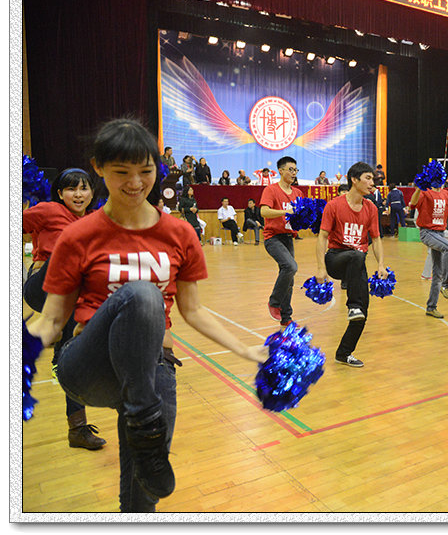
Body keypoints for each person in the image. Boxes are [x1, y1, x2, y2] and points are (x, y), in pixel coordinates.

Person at [25, 118, 267, 512]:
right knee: (142, 293)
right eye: (121, 172)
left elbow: (193, 310)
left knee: (144, 495)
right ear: (99, 168)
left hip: (153, 369)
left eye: (145, 171)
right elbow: (51, 320)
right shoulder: (78, 235)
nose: (135, 183)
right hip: (90, 367)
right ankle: (143, 417)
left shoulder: (180, 234)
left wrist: (245, 350)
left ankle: (142, 439)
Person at [23, 167, 106, 451]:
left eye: (84, 188)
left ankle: (78, 429)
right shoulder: (49, 210)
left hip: (71, 297)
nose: (78, 194)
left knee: (72, 358)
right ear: (60, 193)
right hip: (42, 286)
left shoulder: (95, 219)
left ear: (92, 193)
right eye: (71, 189)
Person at [315, 162, 388, 368]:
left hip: (357, 263)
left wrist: (381, 265)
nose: (372, 183)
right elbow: (322, 237)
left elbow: (376, 239)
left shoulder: (371, 208)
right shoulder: (334, 205)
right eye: (368, 178)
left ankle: (344, 352)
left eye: (373, 179)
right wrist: (321, 268)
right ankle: (353, 306)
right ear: (354, 180)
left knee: (363, 313)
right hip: (336, 259)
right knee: (357, 256)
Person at [410, 183, 448, 317]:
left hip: (440, 234)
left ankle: (431, 307)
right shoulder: (425, 192)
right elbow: (413, 204)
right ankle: (447, 285)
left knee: (437, 274)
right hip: (427, 232)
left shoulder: (446, 194)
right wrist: (419, 188)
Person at [259, 156, 303, 328]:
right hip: (273, 237)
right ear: (281, 170)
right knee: (291, 267)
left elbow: (299, 216)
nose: (294, 173)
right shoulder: (271, 190)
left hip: (288, 238)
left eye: (295, 170)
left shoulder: (298, 193)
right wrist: (285, 211)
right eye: (290, 169)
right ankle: (274, 302)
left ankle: (286, 317)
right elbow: (264, 212)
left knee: (289, 278)